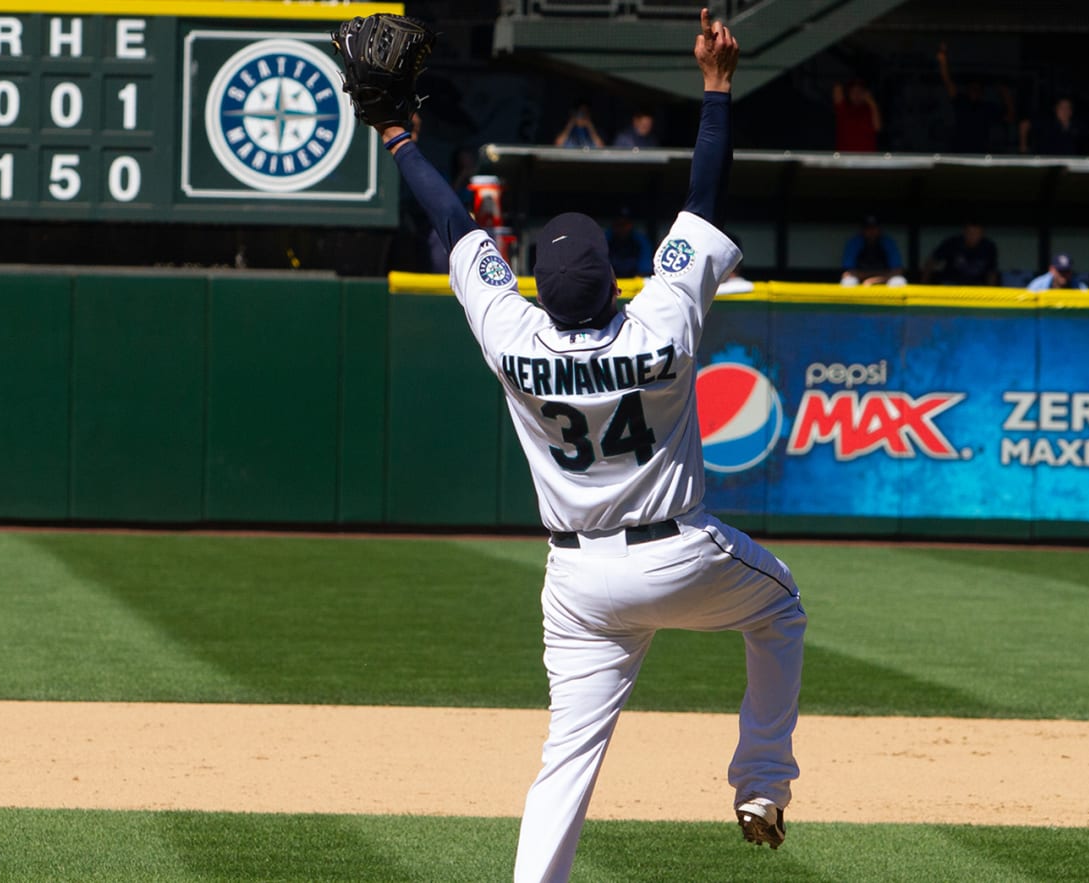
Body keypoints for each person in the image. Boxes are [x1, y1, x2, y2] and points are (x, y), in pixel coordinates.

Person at [343, 11, 806, 880]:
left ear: (546, 293)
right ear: (613, 280)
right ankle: (761, 783)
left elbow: (454, 226)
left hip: (577, 581)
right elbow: (702, 202)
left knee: (567, 759)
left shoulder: (513, 333)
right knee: (779, 610)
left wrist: (399, 135)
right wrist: (715, 89)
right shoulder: (664, 317)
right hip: (680, 554)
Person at [937, 43, 1014, 153]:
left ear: (982, 92)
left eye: (977, 89)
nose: (974, 91)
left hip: (979, 152)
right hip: (959, 149)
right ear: (968, 89)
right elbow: (947, 82)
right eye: (972, 88)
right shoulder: (962, 102)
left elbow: (1010, 117)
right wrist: (943, 61)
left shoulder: (987, 108)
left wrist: (1006, 95)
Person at [1020, 97, 1089, 156]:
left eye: (1068, 108)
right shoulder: (1046, 122)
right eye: (1062, 107)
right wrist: (1023, 145)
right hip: (1046, 160)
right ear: (1056, 109)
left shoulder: (1076, 124)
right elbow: (1024, 124)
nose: (1065, 110)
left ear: (1071, 111)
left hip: (1069, 161)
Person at [926, 221, 998, 285]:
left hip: (976, 286)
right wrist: (924, 284)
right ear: (965, 232)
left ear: (982, 233)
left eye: (976, 233)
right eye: (969, 233)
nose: (972, 236)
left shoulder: (988, 247)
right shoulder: (952, 243)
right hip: (952, 284)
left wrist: (991, 291)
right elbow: (932, 261)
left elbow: (991, 272)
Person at [841, 216, 906, 285]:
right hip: (861, 279)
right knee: (848, 281)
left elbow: (897, 271)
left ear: (879, 229)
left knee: (898, 281)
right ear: (862, 230)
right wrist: (868, 278)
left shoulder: (887, 242)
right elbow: (848, 272)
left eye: (874, 228)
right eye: (868, 228)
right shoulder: (855, 243)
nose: (871, 231)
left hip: (884, 279)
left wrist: (875, 280)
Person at [831, 79, 880, 152]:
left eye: (860, 92)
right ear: (848, 94)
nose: (857, 95)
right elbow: (837, 89)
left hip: (867, 157)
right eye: (853, 92)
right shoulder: (843, 108)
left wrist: (871, 102)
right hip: (846, 157)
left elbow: (877, 127)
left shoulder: (869, 109)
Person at [606, 210, 652, 276]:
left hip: (635, 282)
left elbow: (645, 270)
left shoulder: (640, 241)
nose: (622, 228)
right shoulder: (605, 239)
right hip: (610, 282)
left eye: (625, 224)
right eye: (618, 224)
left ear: (631, 225)